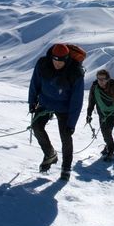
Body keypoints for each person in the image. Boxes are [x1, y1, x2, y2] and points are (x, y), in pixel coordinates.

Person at [28, 43, 85, 180]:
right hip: (45, 102)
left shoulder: (76, 73)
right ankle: (50, 154)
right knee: (36, 127)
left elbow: (77, 101)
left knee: (65, 136)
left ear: (67, 59)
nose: (57, 64)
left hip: (64, 107)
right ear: (51, 57)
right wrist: (32, 101)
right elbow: (35, 82)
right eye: (55, 60)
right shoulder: (43, 64)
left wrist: (71, 124)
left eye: (61, 61)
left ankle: (66, 167)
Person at [86, 69, 114, 161]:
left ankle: (111, 151)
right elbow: (91, 101)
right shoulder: (95, 87)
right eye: (99, 79)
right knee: (105, 132)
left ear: (107, 79)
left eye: (103, 79)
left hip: (113, 113)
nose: (101, 81)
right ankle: (108, 145)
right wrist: (89, 114)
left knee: (107, 131)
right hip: (102, 113)